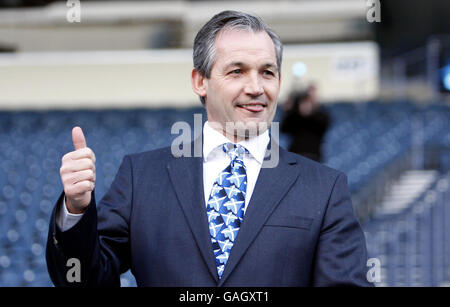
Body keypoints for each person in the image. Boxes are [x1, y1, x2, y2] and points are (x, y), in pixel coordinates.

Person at [46, 10, 372, 287]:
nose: (256, 87)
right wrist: (76, 209)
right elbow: (82, 279)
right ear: (200, 81)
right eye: (237, 71)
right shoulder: (141, 177)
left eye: (267, 73)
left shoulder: (324, 190)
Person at [281, 84, 331, 162]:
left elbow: (325, 124)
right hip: (296, 154)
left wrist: (313, 109)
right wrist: (288, 110)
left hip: (314, 155)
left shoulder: (320, 117)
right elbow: (284, 128)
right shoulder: (294, 117)